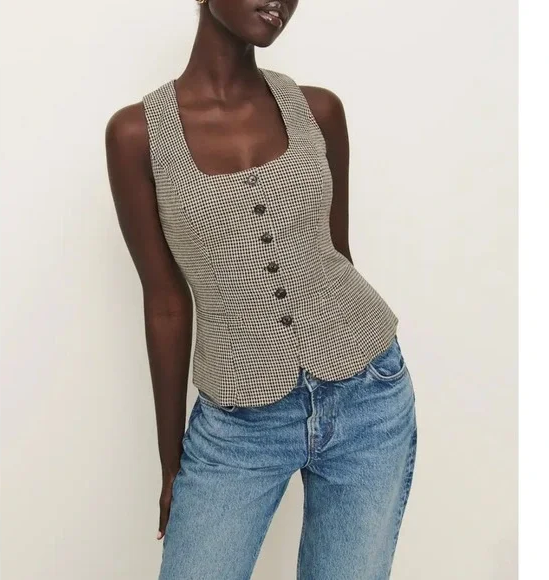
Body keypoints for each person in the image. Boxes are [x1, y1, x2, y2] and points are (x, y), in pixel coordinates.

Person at [105, 1, 417, 578]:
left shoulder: (320, 111)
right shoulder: (136, 135)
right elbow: (166, 303)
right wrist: (172, 464)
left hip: (370, 395)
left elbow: (336, 252)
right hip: (238, 422)